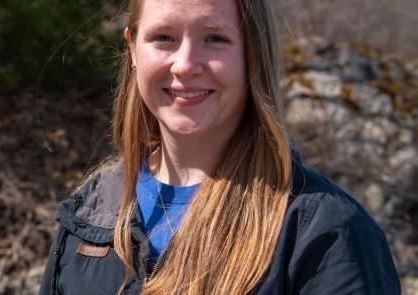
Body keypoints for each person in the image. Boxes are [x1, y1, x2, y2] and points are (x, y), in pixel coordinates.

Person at [39, 0, 401, 294]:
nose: (185, 64)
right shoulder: (91, 211)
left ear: (253, 52)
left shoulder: (323, 231)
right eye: (163, 37)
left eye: (214, 38)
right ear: (133, 48)